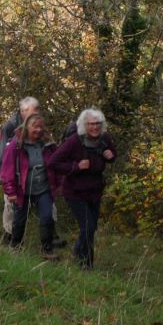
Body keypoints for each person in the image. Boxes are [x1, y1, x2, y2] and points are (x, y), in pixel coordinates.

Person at [48, 108, 115, 269]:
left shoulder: (104, 138)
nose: (95, 127)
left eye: (98, 123)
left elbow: (112, 154)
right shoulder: (74, 141)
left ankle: (79, 250)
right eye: (91, 124)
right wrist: (76, 166)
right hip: (75, 192)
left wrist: (110, 155)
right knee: (88, 227)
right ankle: (86, 264)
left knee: (91, 229)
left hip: (94, 191)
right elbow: (53, 162)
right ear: (85, 125)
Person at [0, 97, 66, 248]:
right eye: (34, 111)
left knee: (48, 210)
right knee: (14, 213)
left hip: (41, 184)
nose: (37, 114)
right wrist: (8, 185)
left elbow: (54, 160)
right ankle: (11, 239)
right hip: (17, 181)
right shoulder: (10, 128)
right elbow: (4, 156)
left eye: (38, 110)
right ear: (23, 112)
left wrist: (58, 182)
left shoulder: (44, 136)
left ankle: (49, 241)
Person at [0, 113, 59, 259]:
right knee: (19, 220)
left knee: (47, 217)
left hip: (43, 188)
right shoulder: (16, 144)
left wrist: (59, 183)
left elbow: (56, 163)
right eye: (35, 126)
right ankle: (16, 247)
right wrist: (10, 191)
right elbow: (7, 170)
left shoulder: (48, 144)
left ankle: (47, 250)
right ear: (27, 127)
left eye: (40, 127)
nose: (38, 130)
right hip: (22, 190)